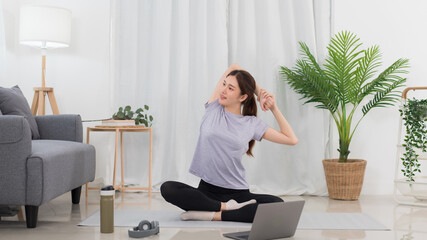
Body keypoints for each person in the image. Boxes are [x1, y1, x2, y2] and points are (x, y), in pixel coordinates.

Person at [160, 63, 298, 223]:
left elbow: (291, 139)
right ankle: (225, 207)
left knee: (276, 205)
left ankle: (212, 214)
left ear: (243, 97)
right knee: (168, 188)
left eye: (230, 88)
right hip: (207, 191)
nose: (223, 90)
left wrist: (273, 107)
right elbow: (235, 66)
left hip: (238, 193)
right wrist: (258, 91)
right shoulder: (214, 108)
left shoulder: (251, 123)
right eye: (224, 84)